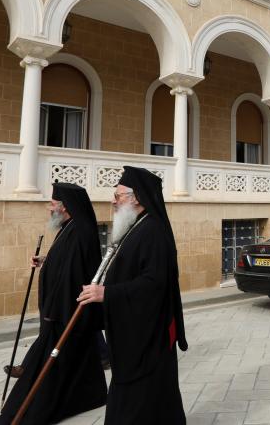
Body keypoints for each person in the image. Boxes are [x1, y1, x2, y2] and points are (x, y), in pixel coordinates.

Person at [77, 166, 187, 424]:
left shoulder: (153, 231)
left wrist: (108, 293)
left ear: (136, 198)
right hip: (133, 328)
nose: (113, 201)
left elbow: (154, 284)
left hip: (147, 333)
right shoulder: (136, 226)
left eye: (118, 196)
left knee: (142, 395)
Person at [0, 183, 107, 425]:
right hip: (61, 309)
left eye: (53, 204)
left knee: (50, 364)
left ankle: (23, 413)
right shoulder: (69, 227)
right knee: (80, 358)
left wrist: (54, 310)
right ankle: (91, 397)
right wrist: (47, 259)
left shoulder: (81, 230)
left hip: (65, 311)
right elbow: (65, 263)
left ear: (65, 207)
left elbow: (74, 275)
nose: (49, 209)